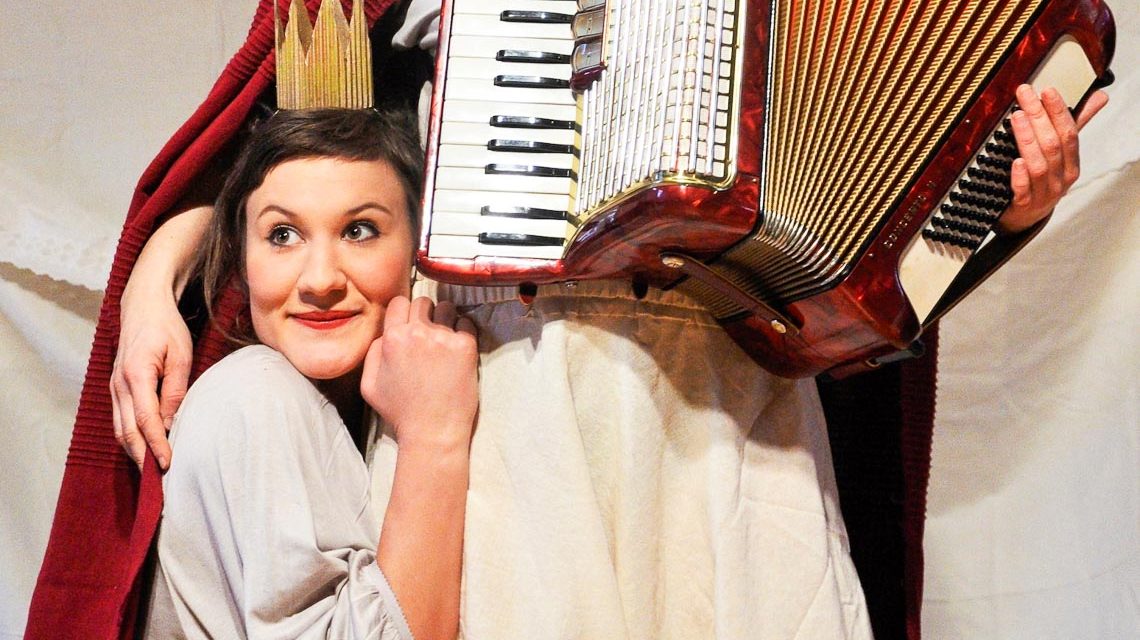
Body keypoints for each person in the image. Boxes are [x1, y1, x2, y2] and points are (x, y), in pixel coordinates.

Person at [27, 1, 1108, 639]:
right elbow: (317, 151)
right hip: (514, 386)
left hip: (734, 400)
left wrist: (1003, 201)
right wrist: (159, 269)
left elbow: (878, 233)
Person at [140, 107, 478, 640]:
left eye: (359, 230)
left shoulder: (331, 410)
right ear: (242, 258)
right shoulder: (257, 396)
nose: (320, 279)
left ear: (417, 248)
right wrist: (434, 437)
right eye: (282, 235)